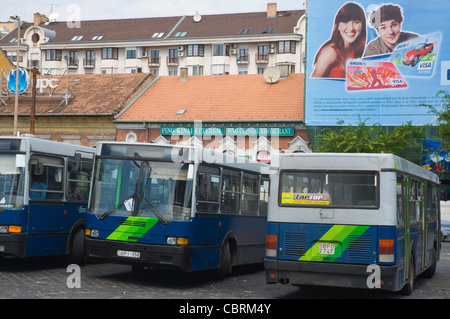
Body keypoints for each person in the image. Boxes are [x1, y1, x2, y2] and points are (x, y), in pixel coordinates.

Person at [311, 2, 366, 78]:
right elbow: (314, 84)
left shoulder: (354, 49)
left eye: (356, 22)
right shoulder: (330, 52)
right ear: (338, 26)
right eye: (346, 22)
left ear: (362, 26)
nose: (351, 28)